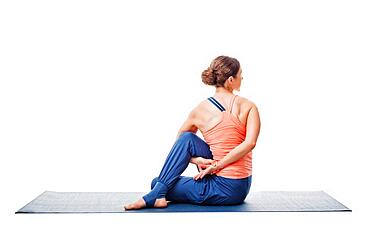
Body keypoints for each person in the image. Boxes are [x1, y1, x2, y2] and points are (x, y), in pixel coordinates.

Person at [124, 55, 261, 210]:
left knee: (158, 182)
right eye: (240, 74)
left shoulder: (200, 110)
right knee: (181, 150)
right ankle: (158, 193)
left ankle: (156, 194)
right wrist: (200, 161)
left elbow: (180, 143)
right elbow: (250, 142)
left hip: (223, 190)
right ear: (230, 80)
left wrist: (212, 166)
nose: (242, 77)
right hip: (242, 186)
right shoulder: (249, 106)